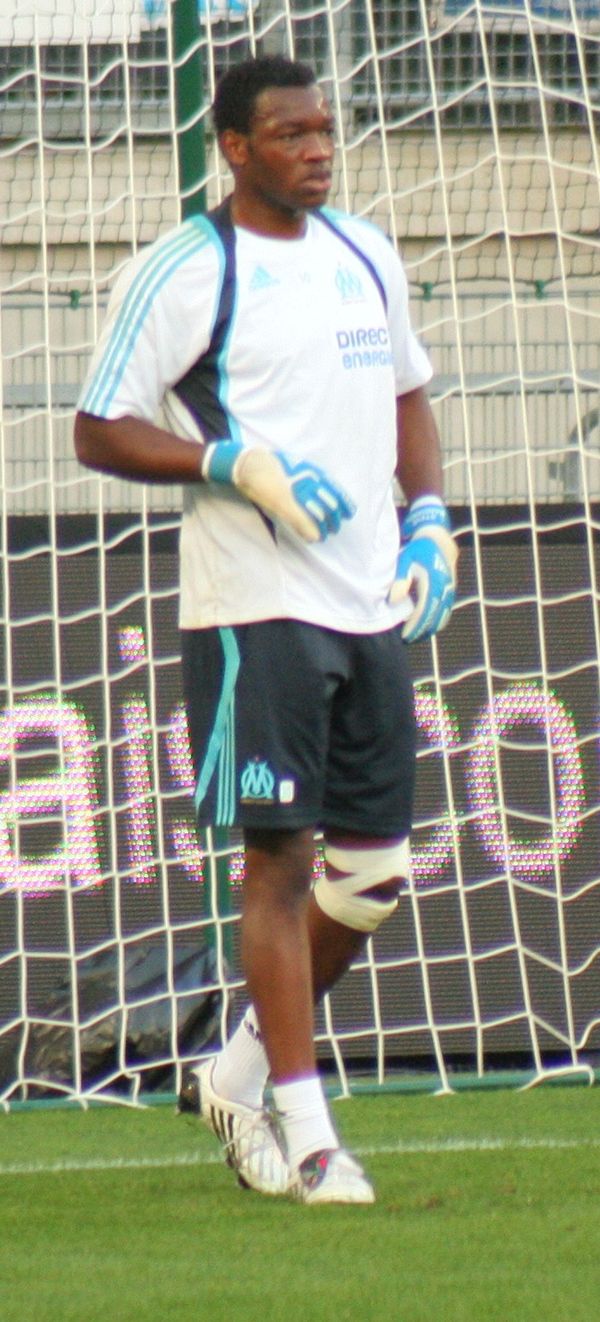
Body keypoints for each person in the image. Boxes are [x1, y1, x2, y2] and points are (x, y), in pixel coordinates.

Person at [74, 55, 457, 1205]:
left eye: (325, 130)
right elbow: (99, 428)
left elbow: (406, 393)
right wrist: (226, 459)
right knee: (279, 862)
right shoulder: (189, 270)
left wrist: (429, 520)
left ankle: (236, 1070)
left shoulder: (364, 251)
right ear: (233, 147)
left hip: (365, 598)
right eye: (290, 133)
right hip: (253, 605)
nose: (317, 149)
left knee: (376, 870)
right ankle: (311, 1132)